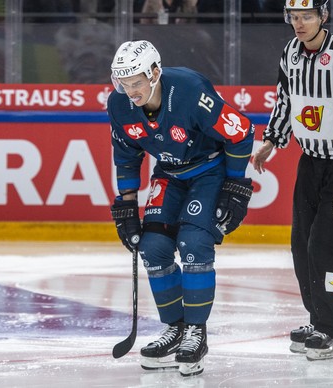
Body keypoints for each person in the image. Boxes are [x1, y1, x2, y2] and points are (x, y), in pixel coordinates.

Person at [108, 40, 254, 376]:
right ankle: (175, 328)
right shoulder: (118, 105)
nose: (130, 91)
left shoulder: (190, 90)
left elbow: (241, 131)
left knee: (193, 243)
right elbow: (127, 156)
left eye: (136, 82)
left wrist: (234, 185)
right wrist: (127, 204)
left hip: (209, 170)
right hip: (170, 175)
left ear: (155, 73)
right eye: (123, 83)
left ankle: (196, 332)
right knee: (154, 247)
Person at [252, 0, 333, 361]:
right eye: (294, 16)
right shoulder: (290, 52)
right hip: (310, 163)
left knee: (330, 246)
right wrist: (272, 141)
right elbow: (285, 100)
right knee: (301, 244)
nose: (299, 23)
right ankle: (318, 318)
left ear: (323, 16)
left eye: (307, 16)